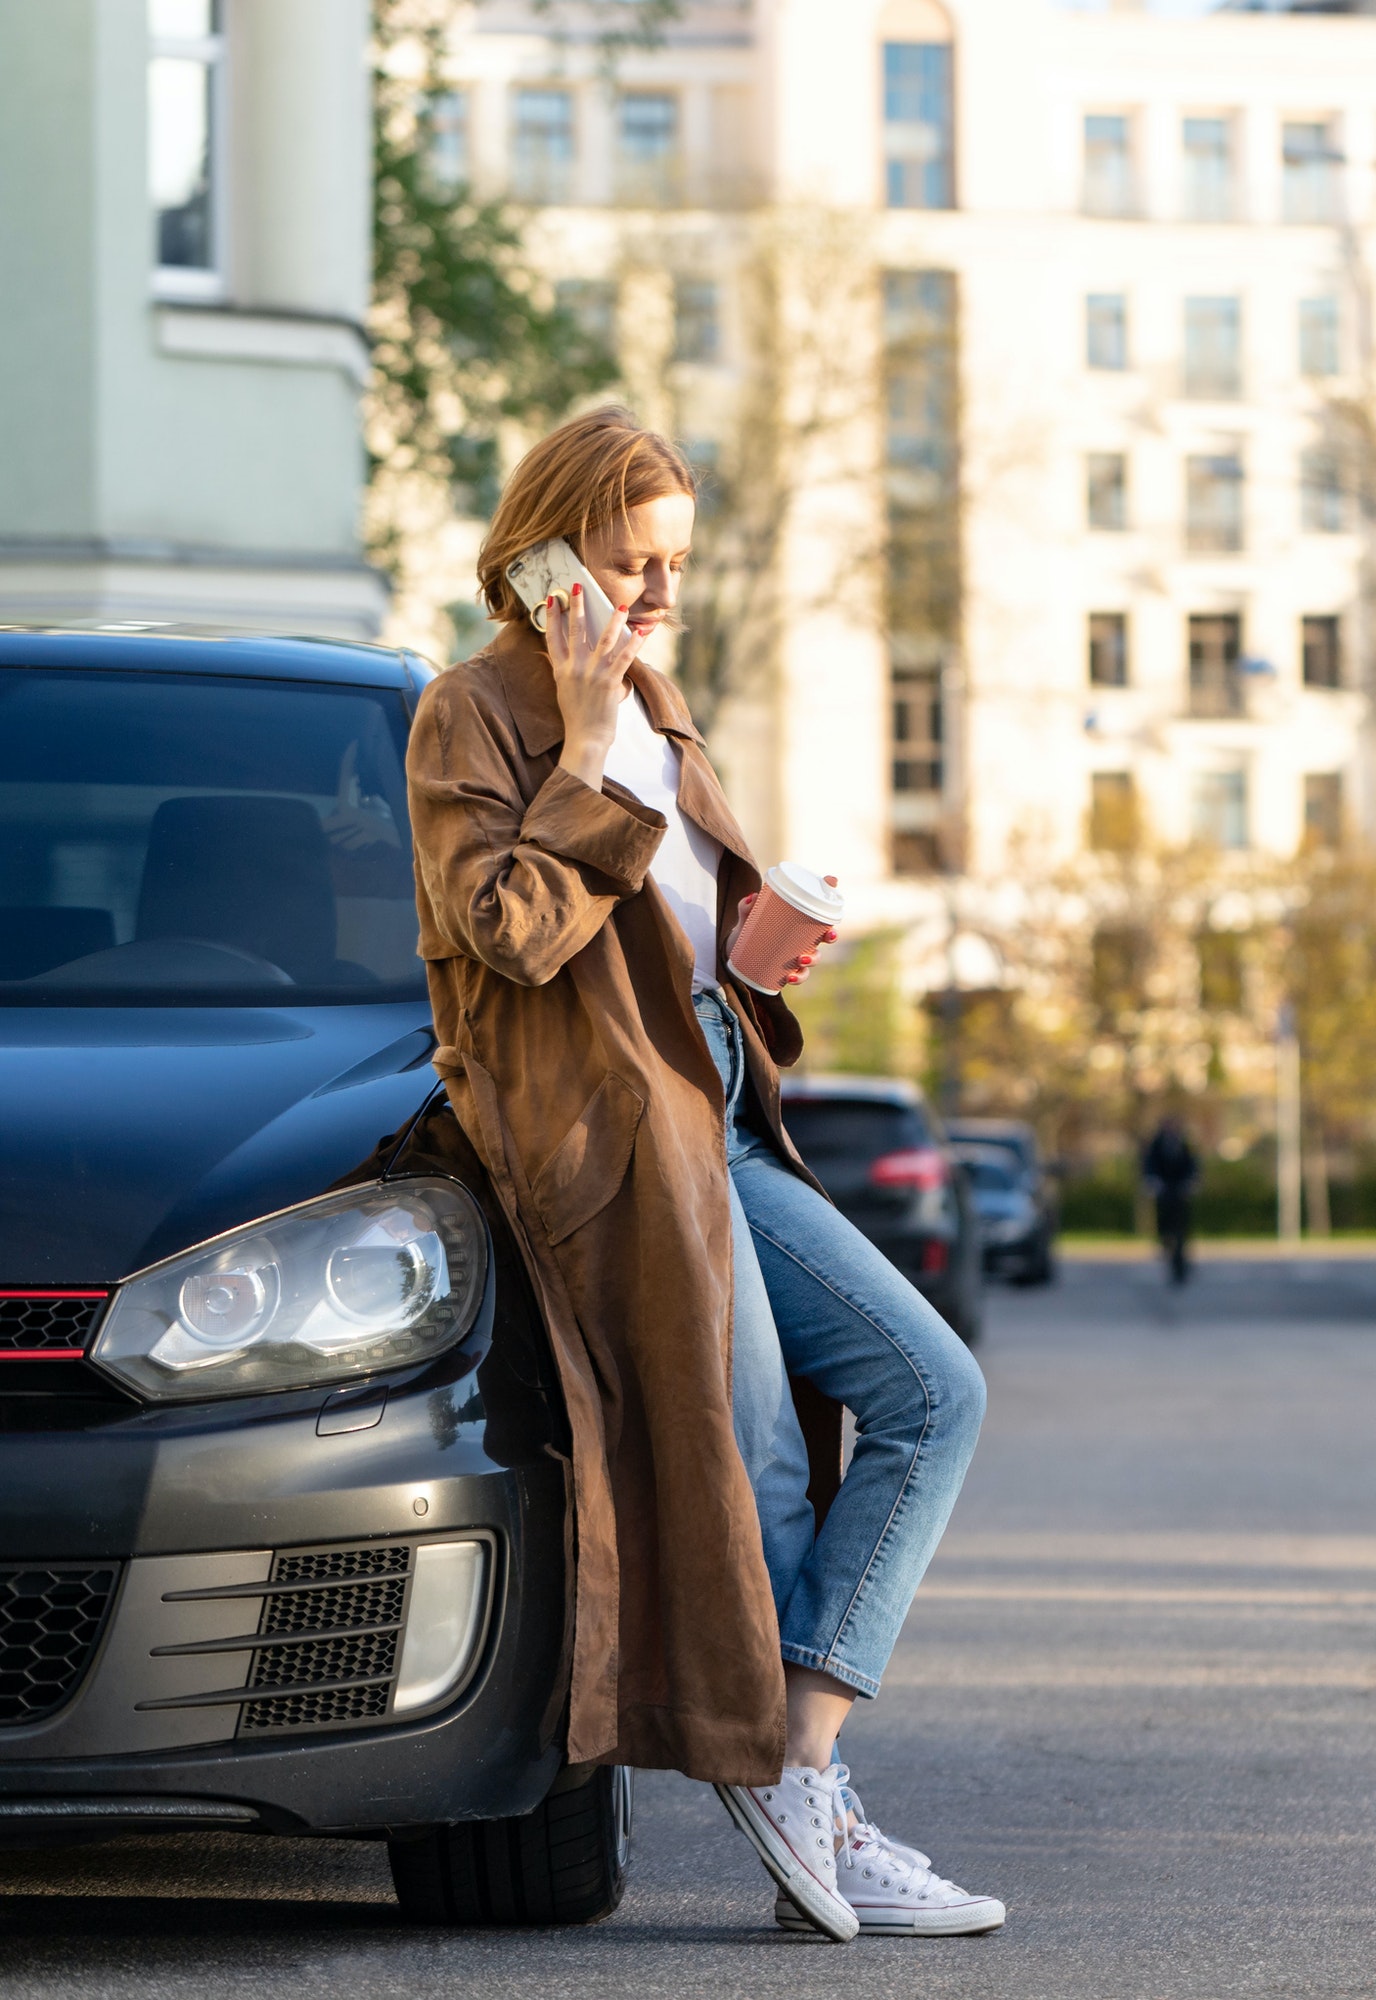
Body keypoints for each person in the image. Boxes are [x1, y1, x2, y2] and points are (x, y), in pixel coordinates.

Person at [405, 406, 1001, 1941]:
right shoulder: (471, 720)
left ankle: (802, 1767)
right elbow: (514, 934)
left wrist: (753, 952)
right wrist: (590, 750)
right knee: (774, 1468)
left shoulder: (664, 709)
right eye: (629, 563)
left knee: (935, 1392)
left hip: (724, 1129)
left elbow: (652, 949)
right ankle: (809, 1793)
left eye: (675, 564)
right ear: (543, 564)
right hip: (622, 1155)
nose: (659, 597)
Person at [1142, 1116, 1201, 1286]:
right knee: (1166, 1226)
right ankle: (1166, 1244)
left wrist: (1191, 1182)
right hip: (1164, 1192)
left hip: (1180, 1193)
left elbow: (1192, 1165)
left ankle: (1180, 1268)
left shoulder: (1184, 1144)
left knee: (1181, 1231)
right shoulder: (1156, 1144)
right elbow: (1150, 1165)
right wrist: (1153, 1181)